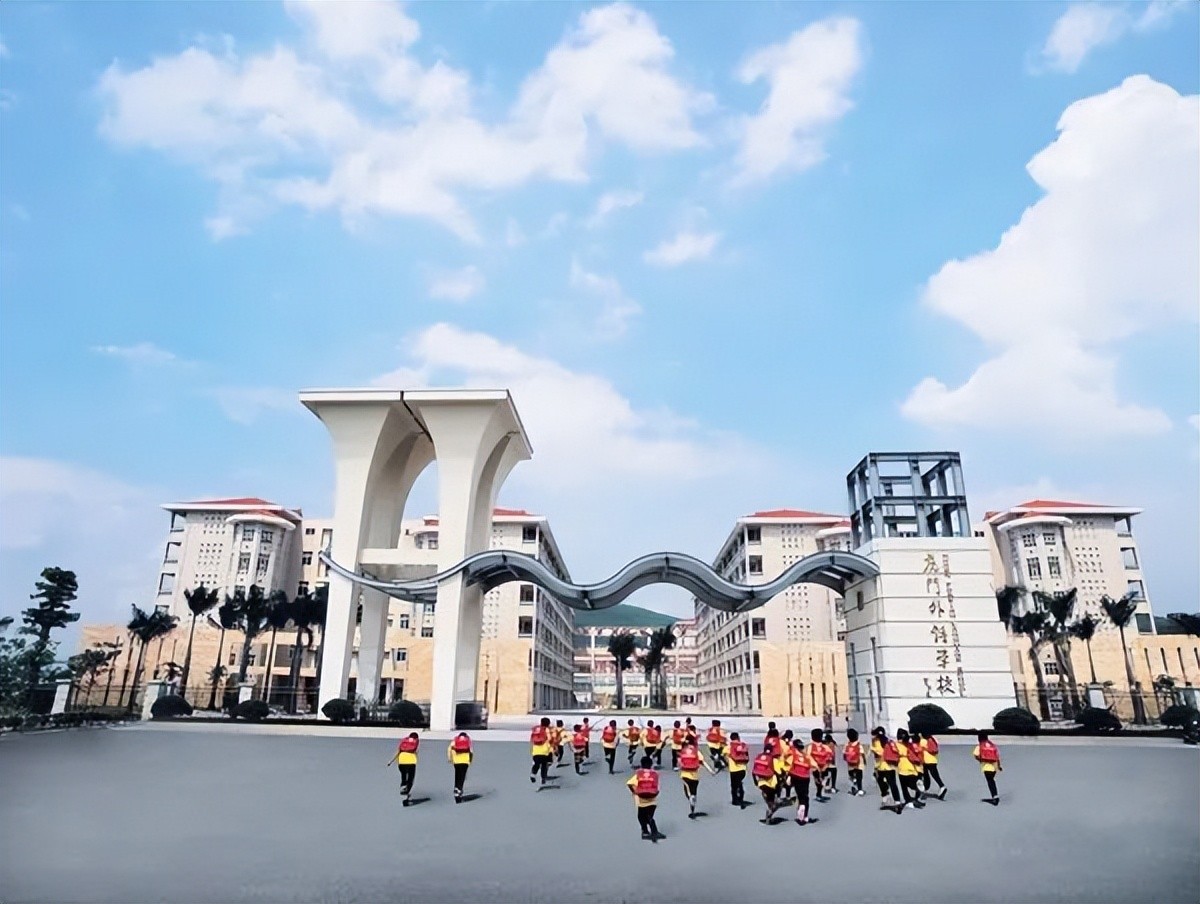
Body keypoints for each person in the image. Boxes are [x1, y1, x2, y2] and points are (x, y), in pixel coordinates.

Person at [627, 755, 662, 841]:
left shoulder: (639, 774)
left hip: (641, 800)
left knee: (641, 816)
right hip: (652, 800)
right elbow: (657, 787)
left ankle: (645, 831)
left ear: (641, 765)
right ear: (651, 764)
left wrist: (634, 792)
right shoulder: (655, 774)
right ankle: (654, 831)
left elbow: (629, 783)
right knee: (649, 816)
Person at [786, 737, 817, 826]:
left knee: (799, 795)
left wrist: (788, 776)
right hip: (805, 777)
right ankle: (805, 816)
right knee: (805, 796)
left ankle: (801, 812)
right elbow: (815, 766)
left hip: (795, 776)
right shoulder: (806, 756)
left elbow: (788, 765)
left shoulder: (792, 754)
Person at [871, 727, 903, 812]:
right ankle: (897, 801)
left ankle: (885, 798)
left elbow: (878, 753)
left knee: (881, 782)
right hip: (890, 766)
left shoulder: (876, 742)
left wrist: (872, 749)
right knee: (893, 784)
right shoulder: (889, 741)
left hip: (881, 767)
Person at [894, 729, 925, 810]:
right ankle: (916, 791)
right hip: (912, 766)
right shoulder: (909, 744)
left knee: (904, 786)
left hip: (902, 767)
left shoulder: (896, 745)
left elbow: (894, 755)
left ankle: (908, 801)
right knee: (913, 781)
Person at [388, 731, 420, 806]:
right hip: (411, 762)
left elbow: (398, 752)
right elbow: (416, 752)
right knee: (410, 779)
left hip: (401, 761)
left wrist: (391, 761)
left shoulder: (404, 742)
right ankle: (406, 794)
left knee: (403, 776)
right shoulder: (415, 742)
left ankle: (403, 787)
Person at [751, 744, 781, 824]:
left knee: (767, 797)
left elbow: (754, 771)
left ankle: (769, 815)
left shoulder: (759, 757)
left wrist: (755, 781)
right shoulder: (774, 759)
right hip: (772, 783)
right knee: (772, 800)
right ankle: (769, 815)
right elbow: (778, 773)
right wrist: (779, 786)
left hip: (761, 783)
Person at [973, 731, 1002, 805]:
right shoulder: (992, 745)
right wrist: (999, 766)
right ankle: (995, 796)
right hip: (994, 767)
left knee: (990, 781)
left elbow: (975, 754)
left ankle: (995, 798)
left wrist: (980, 760)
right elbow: (997, 756)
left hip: (986, 767)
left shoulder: (980, 746)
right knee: (992, 780)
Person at [678, 736, 704, 818]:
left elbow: (680, 763)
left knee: (687, 792)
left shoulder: (683, 751)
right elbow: (702, 761)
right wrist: (711, 771)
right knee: (694, 792)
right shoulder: (696, 751)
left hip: (685, 775)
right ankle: (692, 810)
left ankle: (690, 798)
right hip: (695, 776)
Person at [919, 730, 947, 800]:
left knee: (925, 776)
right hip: (933, 760)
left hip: (925, 760)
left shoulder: (922, 741)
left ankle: (924, 790)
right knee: (934, 775)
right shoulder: (933, 739)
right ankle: (941, 786)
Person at [725, 731, 750, 807]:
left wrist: (727, 762)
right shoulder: (743, 745)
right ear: (738, 737)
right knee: (739, 783)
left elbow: (724, 754)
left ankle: (735, 800)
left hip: (733, 769)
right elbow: (747, 755)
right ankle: (741, 798)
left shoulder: (729, 747)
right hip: (743, 769)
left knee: (734, 786)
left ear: (731, 738)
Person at [447, 732, 473, 803]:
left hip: (456, 761)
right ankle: (459, 789)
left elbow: (449, 749)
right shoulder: (468, 741)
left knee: (457, 775)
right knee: (462, 776)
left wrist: (450, 758)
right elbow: (471, 751)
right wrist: (470, 760)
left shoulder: (455, 740)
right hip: (465, 761)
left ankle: (456, 788)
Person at [810, 728, 832, 801]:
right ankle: (818, 795)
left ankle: (819, 794)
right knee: (819, 780)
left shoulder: (811, 746)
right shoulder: (825, 747)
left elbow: (808, 757)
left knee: (821, 780)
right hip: (818, 767)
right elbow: (830, 756)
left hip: (819, 767)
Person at [530, 717, 553, 786]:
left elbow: (532, 739)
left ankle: (533, 774)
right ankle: (543, 779)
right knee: (544, 765)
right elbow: (549, 739)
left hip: (535, 751)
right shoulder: (546, 730)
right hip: (544, 751)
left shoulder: (536, 729)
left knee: (536, 764)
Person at [843, 728, 866, 796]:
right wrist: (864, 761)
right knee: (859, 776)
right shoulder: (859, 745)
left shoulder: (847, 745)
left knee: (851, 774)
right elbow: (862, 754)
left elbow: (844, 754)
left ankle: (853, 785)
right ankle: (860, 789)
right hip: (859, 763)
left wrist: (846, 759)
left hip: (850, 763)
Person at [823, 730, 840, 794]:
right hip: (830, 762)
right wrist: (832, 761)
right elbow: (832, 753)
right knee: (833, 773)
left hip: (824, 763)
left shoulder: (823, 744)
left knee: (826, 775)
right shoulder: (831, 744)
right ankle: (833, 787)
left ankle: (826, 787)